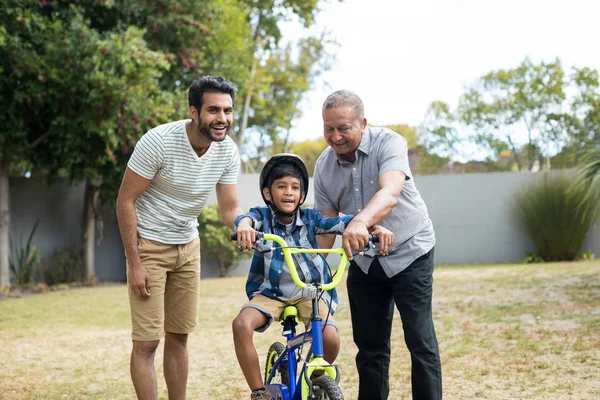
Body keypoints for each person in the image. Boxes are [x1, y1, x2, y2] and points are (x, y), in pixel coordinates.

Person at [116, 75, 245, 400]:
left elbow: (229, 208)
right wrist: (134, 262)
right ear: (193, 111)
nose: (223, 119)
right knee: (147, 342)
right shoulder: (159, 142)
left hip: (188, 246)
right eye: (214, 110)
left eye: (228, 111)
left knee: (179, 336)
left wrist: (243, 223)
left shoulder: (227, 151)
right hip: (149, 245)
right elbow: (125, 201)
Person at [313, 90, 442, 400]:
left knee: (419, 340)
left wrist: (359, 222)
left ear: (363, 123)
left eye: (343, 127)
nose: (335, 136)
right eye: (329, 128)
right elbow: (326, 228)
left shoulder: (390, 143)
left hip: (411, 251)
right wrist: (312, 264)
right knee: (370, 348)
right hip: (364, 260)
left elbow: (390, 194)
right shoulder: (323, 166)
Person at [233, 153, 393, 400]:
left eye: (295, 188)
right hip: (270, 294)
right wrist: (244, 227)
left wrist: (372, 227)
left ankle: (315, 378)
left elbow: (343, 223)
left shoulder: (310, 219)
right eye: (281, 187)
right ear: (268, 194)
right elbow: (246, 218)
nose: (289, 193)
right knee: (241, 324)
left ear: (302, 195)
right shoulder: (262, 218)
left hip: (308, 291)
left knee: (330, 339)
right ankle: (258, 391)